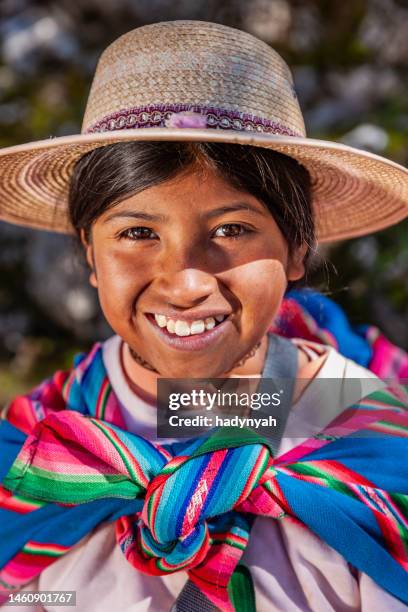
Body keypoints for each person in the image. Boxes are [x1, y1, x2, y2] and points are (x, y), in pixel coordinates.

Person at [0, 20, 407, 612]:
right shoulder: (36, 452)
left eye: (232, 230)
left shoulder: (372, 440)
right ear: (90, 254)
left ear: (297, 250)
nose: (187, 281)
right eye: (137, 233)